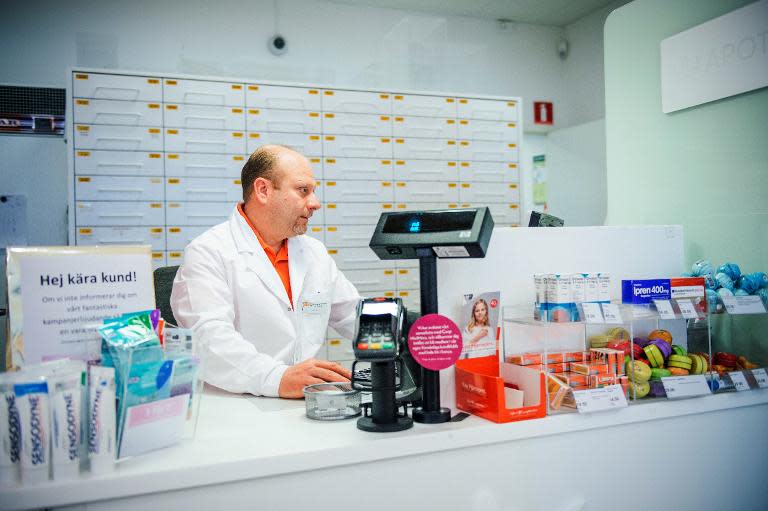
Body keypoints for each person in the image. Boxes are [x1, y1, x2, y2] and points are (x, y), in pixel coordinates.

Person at [171, 145, 360, 398]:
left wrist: (415, 335)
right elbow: (208, 339)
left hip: (302, 401)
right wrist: (276, 378)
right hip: (236, 404)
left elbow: (355, 316)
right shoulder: (208, 251)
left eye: (313, 192)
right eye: (303, 191)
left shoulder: (314, 253)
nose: (315, 203)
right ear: (263, 190)